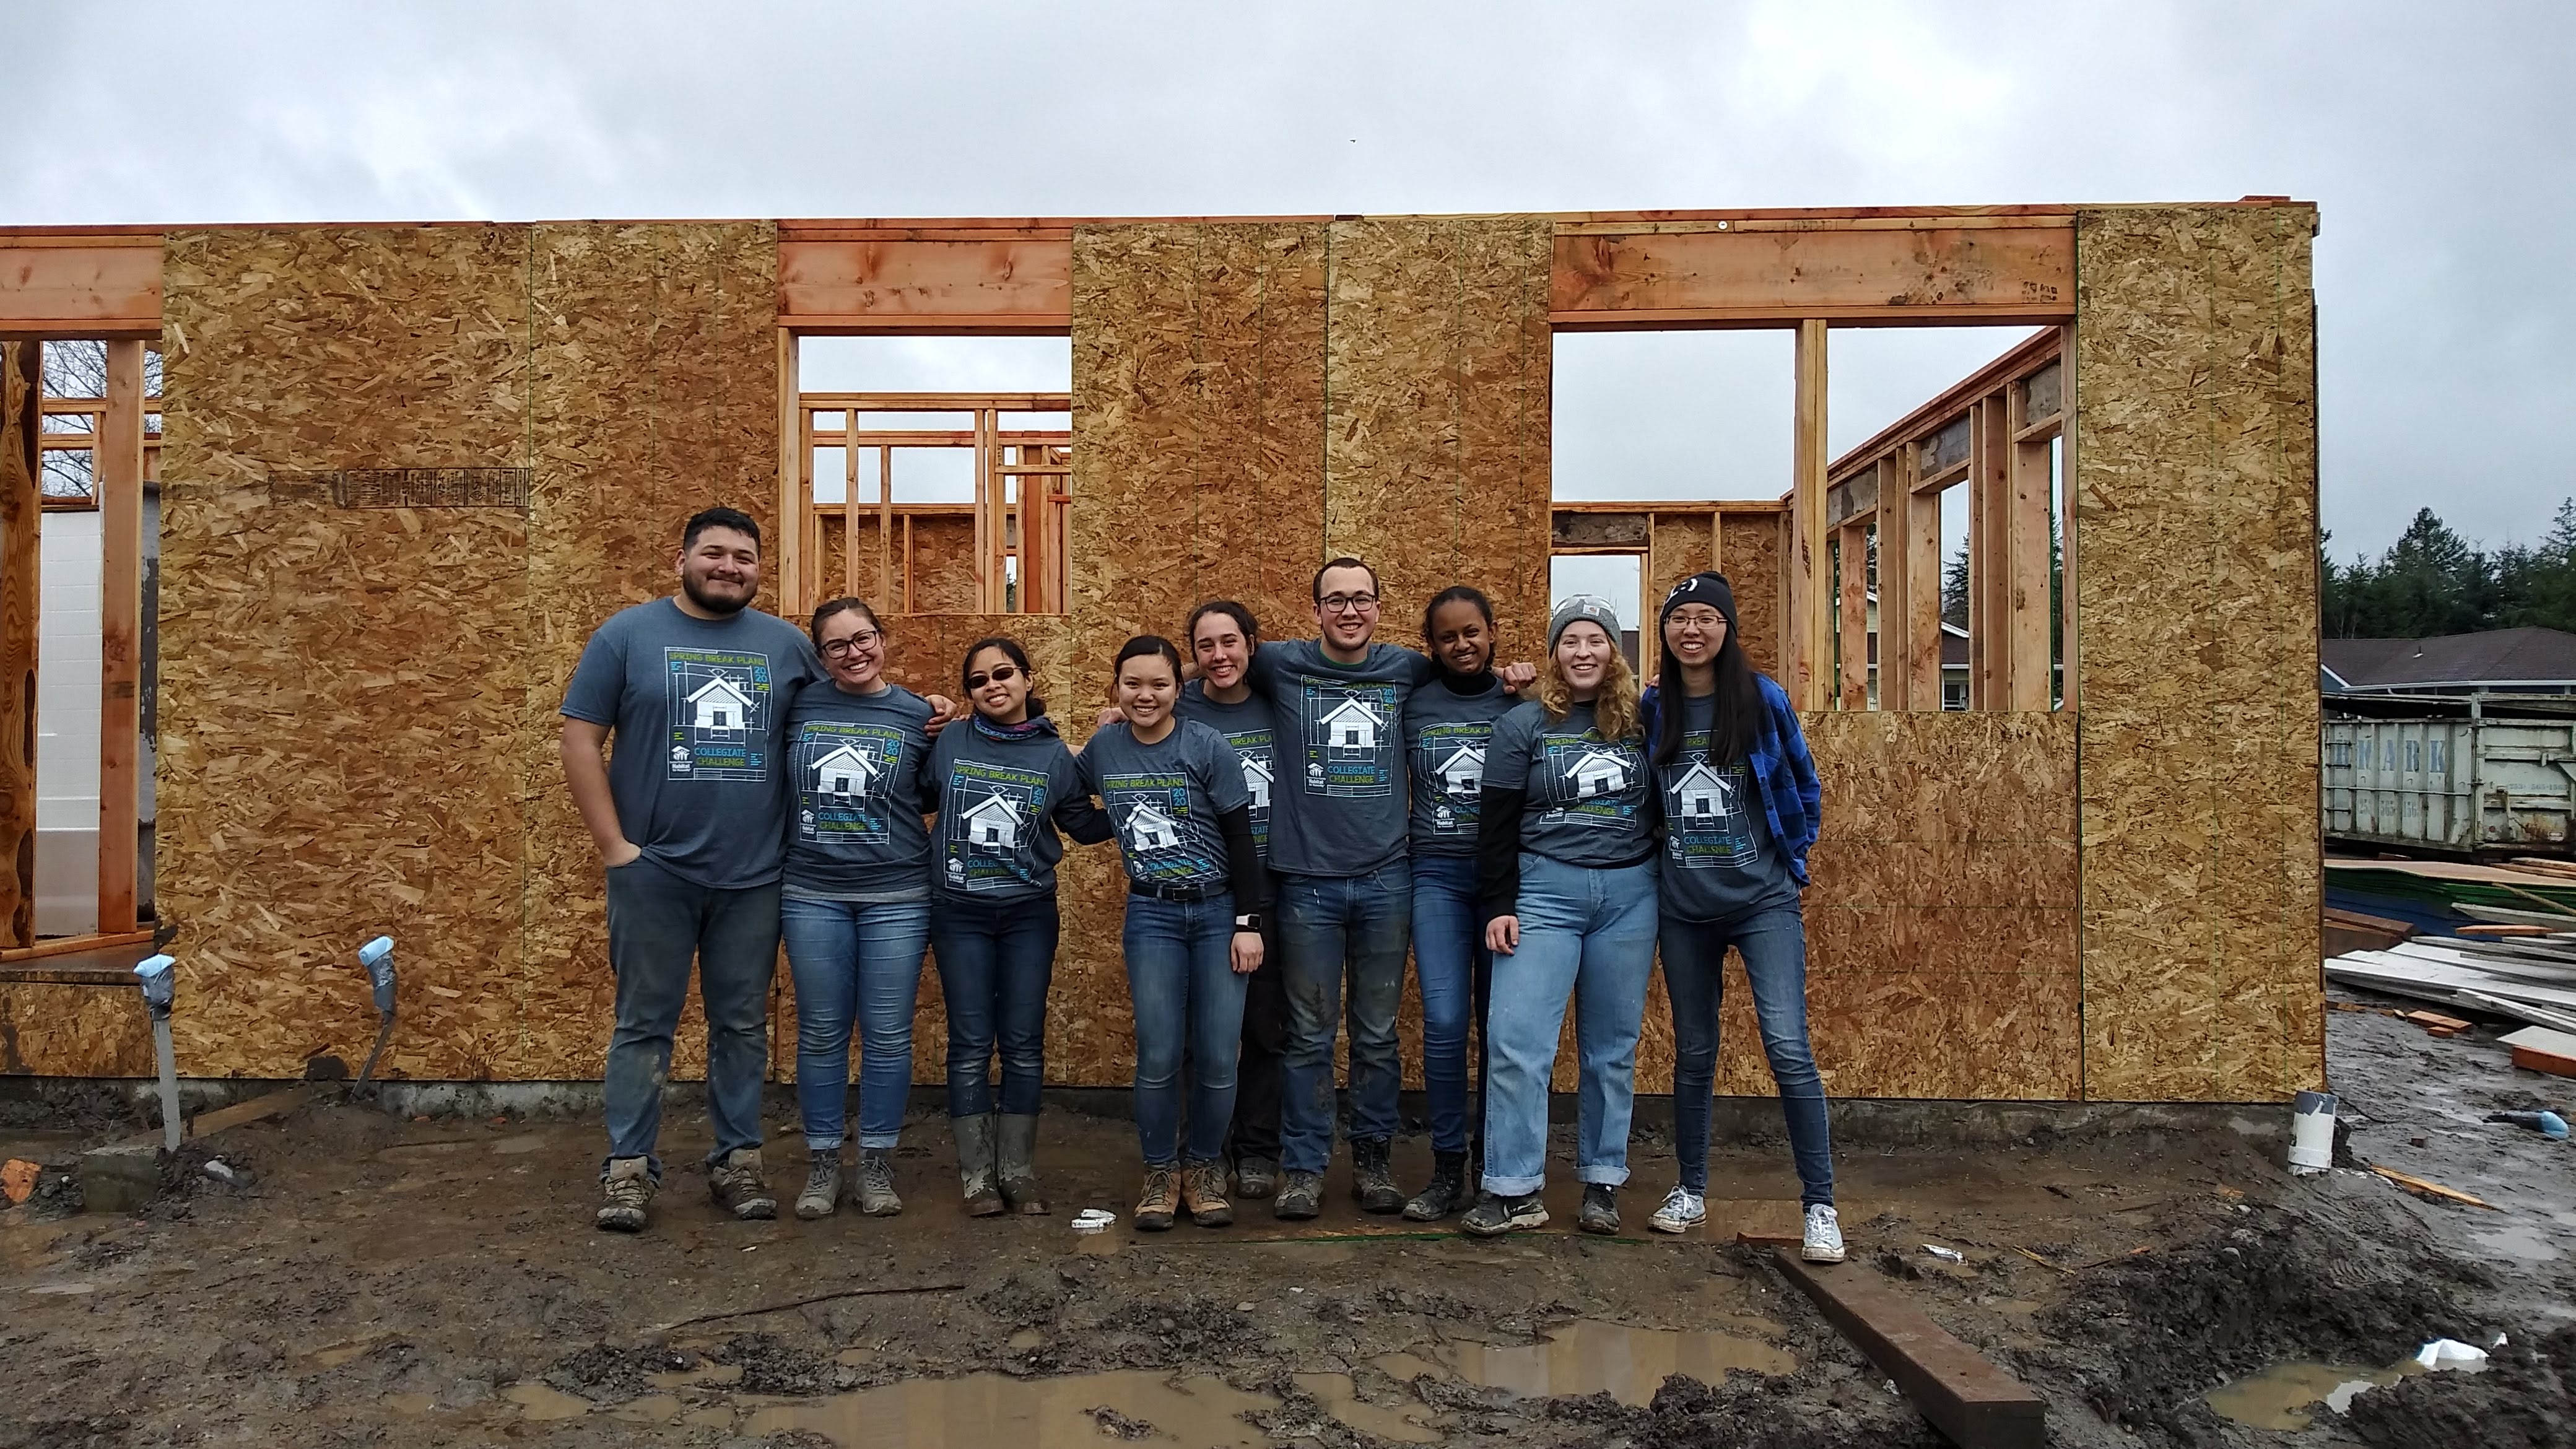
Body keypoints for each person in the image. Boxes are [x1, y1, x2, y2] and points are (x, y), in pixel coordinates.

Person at [560, 505, 824, 1233]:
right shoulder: (626, 635)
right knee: (643, 1024)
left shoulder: (785, 646)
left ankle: (737, 1162)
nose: (729, 567)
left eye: (744, 557)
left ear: (759, 570)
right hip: (656, 873)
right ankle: (628, 1171)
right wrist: (616, 848)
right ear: (679, 560)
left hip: (753, 877)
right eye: (714, 553)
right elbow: (580, 739)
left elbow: (842, 712)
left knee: (740, 1025)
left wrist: (920, 709)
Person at [1247, 559, 1531, 1221]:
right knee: (1309, 1034)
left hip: (1386, 880)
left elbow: (1474, 672)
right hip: (1307, 888)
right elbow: (1214, 668)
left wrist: (1519, 675)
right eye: (1335, 600)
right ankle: (1304, 1167)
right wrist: (1130, 707)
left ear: (1379, 607)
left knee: (1375, 1035)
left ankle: (1373, 1162)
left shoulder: (1409, 669)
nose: (1349, 611)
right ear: (1314, 608)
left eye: (1361, 599)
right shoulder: (1279, 664)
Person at [1640, 573, 1841, 1263]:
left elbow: (1802, 785)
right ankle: (1690, 1190)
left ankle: (1819, 1205)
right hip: (1684, 911)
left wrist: (1788, 861)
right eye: (1678, 619)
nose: (1691, 630)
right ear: (1664, 632)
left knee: (1787, 1048)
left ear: (1726, 630)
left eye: (1706, 619)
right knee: (1694, 1053)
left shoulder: (1760, 700)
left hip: (1761, 905)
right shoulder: (1652, 707)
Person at [1464, 596, 1659, 1238]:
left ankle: (1602, 1182)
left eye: (1595, 640)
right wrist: (1497, 904)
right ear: (1554, 653)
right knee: (1516, 1043)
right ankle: (1511, 1187)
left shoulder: (1643, 721)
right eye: (1570, 640)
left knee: (1610, 1049)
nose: (1583, 652)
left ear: (1613, 652)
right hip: (1542, 892)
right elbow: (1492, 824)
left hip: (1629, 896)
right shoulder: (1523, 725)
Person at [1077, 637, 1270, 1231]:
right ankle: (1161, 1172)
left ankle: (1205, 1167)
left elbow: (1242, 839)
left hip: (1216, 914)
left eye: (1158, 685)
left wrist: (1248, 923)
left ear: (1177, 691)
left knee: (1217, 1055)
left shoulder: (1205, 745)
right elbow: (1070, 803)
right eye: (1132, 684)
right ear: (1116, 688)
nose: (1145, 695)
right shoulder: (1104, 747)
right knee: (1159, 1056)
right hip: (1153, 917)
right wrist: (1105, 822)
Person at [921, 637, 1113, 1216]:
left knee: (1025, 1045)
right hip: (959, 913)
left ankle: (1019, 1172)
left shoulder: (1056, 756)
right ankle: (978, 1178)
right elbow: (913, 794)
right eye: (977, 682)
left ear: (1029, 679)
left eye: (1003, 674)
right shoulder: (950, 740)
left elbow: (1083, 825)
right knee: (971, 1043)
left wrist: (1137, 789)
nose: (992, 687)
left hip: (1028, 913)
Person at [779, 598, 938, 1222]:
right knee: (821, 1032)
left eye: (863, 637)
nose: (854, 653)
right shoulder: (799, 707)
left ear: (883, 638)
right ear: (819, 656)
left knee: (888, 1036)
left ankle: (875, 1161)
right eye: (837, 645)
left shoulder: (917, 715)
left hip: (897, 897)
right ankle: (822, 1162)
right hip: (811, 892)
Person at [1398, 586, 1515, 1221]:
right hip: (1436, 876)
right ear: (1431, 645)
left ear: (1492, 632)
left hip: (1505, 884)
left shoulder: (1521, 702)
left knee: (1501, 1028)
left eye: (1471, 632)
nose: (1461, 644)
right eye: (1447, 637)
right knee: (1444, 1023)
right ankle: (1446, 1168)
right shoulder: (1414, 704)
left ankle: (1494, 1165)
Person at [1173, 600, 1287, 1200]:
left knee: (1265, 1031)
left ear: (1251, 645)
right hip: (1206, 894)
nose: (1218, 656)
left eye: (1229, 643)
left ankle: (1258, 1149)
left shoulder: (1278, 705)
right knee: (1203, 1035)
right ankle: (1203, 1150)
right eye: (1204, 647)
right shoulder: (1179, 708)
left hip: (1272, 889)